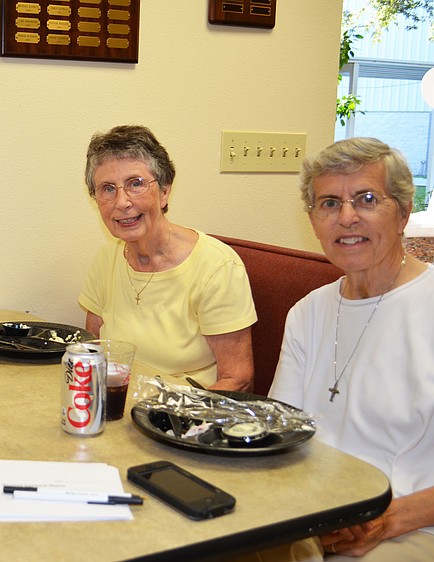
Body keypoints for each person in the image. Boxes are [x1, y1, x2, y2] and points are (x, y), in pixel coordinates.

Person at [269, 137, 434, 560]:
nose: (346, 217)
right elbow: (281, 438)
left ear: (403, 213)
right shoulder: (307, 313)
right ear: (313, 220)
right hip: (314, 514)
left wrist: (386, 519)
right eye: (329, 203)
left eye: (367, 199)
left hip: (409, 524)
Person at [78, 125, 256, 391]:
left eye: (135, 184)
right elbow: (93, 351)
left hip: (186, 409)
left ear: (164, 192)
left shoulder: (216, 266)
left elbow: (238, 379)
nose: (122, 202)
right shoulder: (107, 259)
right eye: (108, 188)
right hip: (119, 402)